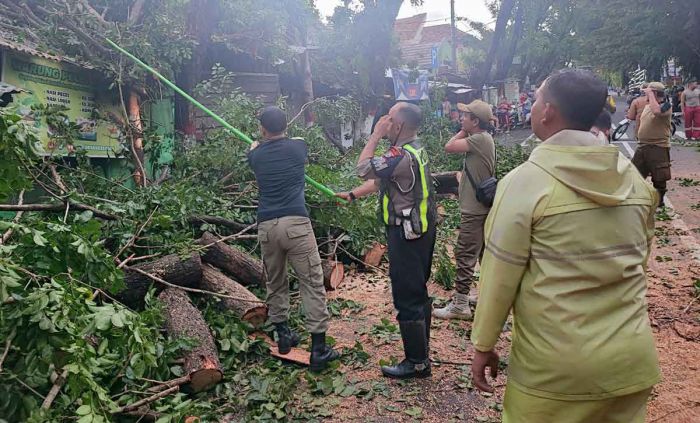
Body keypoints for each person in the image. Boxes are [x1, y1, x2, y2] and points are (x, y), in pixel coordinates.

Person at [470, 69, 660, 423]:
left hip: (555, 371)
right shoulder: (632, 179)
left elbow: (499, 275)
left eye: (538, 98)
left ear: (546, 112)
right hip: (630, 361)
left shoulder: (526, 183)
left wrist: (483, 344)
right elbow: (640, 259)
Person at [336, 102, 437, 379]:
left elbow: (363, 168)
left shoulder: (400, 155)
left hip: (407, 233)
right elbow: (381, 180)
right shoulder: (416, 148)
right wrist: (354, 195)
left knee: (407, 295)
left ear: (399, 125)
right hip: (422, 230)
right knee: (417, 290)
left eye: (389, 119)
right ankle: (422, 353)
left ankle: (416, 363)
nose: (384, 121)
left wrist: (374, 134)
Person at [247, 106, 339, 372]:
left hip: (267, 225)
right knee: (311, 281)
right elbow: (293, 141)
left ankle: (283, 337)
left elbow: (254, 150)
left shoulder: (255, 155)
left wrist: (257, 142)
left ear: (263, 128)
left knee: (275, 281)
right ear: (286, 126)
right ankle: (319, 349)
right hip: (296, 224)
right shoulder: (299, 147)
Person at [432, 100, 495, 320]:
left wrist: (461, 131)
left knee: (465, 254)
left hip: (474, 211)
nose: (461, 118)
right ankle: (485, 295)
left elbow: (448, 147)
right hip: (480, 208)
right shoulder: (482, 139)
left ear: (475, 121)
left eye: (466, 116)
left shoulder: (478, 139)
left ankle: (460, 304)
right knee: (483, 254)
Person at [633, 82, 673, 207]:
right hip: (643, 145)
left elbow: (657, 112)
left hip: (658, 146)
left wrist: (650, 93)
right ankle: (636, 197)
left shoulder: (666, 106)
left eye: (648, 92)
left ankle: (659, 200)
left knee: (659, 175)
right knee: (634, 173)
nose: (645, 95)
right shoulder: (648, 105)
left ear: (655, 93)